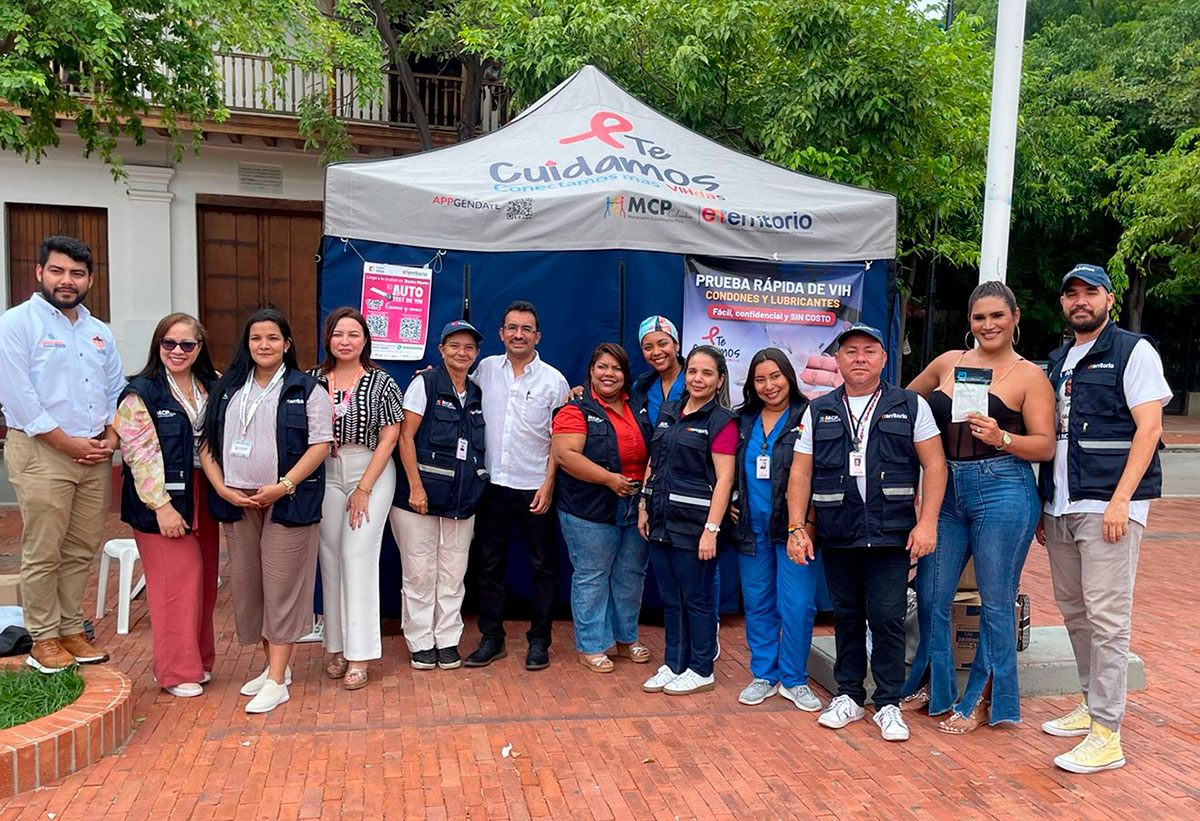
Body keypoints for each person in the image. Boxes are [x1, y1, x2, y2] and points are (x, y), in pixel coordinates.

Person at [899, 282, 1055, 733]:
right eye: (979, 317)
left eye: (996, 316)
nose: (987, 325)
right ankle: (937, 686)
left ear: (1015, 318)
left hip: (1003, 488)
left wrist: (1002, 437)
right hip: (945, 488)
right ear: (969, 322)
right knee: (931, 593)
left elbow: (1045, 445)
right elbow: (904, 404)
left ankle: (983, 700)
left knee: (996, 600)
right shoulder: (949, 362)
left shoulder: (1030, 377)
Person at [1036, 264, 1170, 774]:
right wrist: (1046, 504)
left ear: (1109, 299)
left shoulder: (1133, 350)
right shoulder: (1057, 360)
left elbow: (1149, 427)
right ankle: (1092, 704)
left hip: (1107, 506)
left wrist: (1121, 501)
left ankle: (1107, 733)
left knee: (1108, 620)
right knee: (1075, 613)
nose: (1079, 301)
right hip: (1063, 506)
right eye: (1071, 294)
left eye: (1089, 292)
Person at [787, 323, 946, 742]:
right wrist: (796, 526)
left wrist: (927, 522)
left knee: (888, 618)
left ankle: (889, 703)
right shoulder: (817, 409)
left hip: (892, 534)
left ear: (884, 358)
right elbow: (800, 471)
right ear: (837, 359)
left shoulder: (910, 405)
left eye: (869, 351)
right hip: (838, 532)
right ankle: (849, 696)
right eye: (851, 351)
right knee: (847, 617)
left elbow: (935, 465)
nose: (860, 358)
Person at [0, 235, 124, 673]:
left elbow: (114, 389)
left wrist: (111, 437)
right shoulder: (16, 324)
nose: (66, 281)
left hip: (93, 453)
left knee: (79, 548)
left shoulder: (97, 331)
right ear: (40, 273)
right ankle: (44, 637)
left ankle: (72, 628)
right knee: (43, 548)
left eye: (76, 273)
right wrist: (66, 443)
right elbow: (19, 397)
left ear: (89, 278)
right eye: (57, 271)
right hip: (42, 452)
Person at [199, 308, 333, 714]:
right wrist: (222, 486)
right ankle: (274, 668)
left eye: (273, 338)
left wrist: (283, 485)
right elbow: (205, 443)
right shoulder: (226, 388)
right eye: (256, 338)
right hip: (238, 500)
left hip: (288, 500)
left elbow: (320, 445)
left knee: (282, 586)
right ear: (247, 343)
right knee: (249, 585)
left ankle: (277, 681)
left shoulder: (307, 389)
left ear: (287, 344)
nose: (264, 345)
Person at [115, 313, 221, 697]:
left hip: (204, 493)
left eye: (187, 344)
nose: (177, 351)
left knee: (205, 580)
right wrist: (160, 506)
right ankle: (176, 671)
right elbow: (138, 454)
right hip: (159, 497)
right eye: (169, 343)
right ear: (158, 345)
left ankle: (199, 661)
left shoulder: (212, 385)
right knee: (177, 581)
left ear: (199, 348)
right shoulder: (139, 392)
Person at [464, 301, 570, 671]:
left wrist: (548, 483)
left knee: (543, 567)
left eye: (526, 329)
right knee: (489, 565)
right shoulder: (485, 370)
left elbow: (561, 440)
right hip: (491, 485)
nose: (518, 334)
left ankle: (539, 641)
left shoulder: (554, 381)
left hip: (534, 488)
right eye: (512, 327)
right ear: (501, 333)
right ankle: (492, 638)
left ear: (537, 336)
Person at [310, 308, 404, 690]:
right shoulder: (313, 381)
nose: (345, 340)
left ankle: (360, 654)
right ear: (328, 338)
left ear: (365, 339)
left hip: (371, 470)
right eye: (338, 334)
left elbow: (390, 438)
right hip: (327, 471)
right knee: (329, 557)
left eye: (353, 333)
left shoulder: (382, 382)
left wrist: (364, 487)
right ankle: (334, 645)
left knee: (357, 555)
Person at [638, 345, 737, 696]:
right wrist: (643, 505)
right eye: (692, 371)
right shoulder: (670, 411)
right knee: (670, 598)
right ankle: (674, 663)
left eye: (707, 373)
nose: (698, 378)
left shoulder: (721, 421)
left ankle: (701, 668)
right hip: (661, 520)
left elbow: (725, 479)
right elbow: (654, 460)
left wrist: (711, 530)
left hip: (695, 528)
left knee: (696, 598)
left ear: (719, 379)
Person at [390, 319, 488, 671]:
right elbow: (404, 437)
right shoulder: (425, 384)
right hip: (418, 500)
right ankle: (420, 641)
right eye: (455, 346)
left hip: (461, 501)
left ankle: (447, 640)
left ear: (476, 354)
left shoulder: (477, 393)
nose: (462, 353)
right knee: (418, 573)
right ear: (441, 349)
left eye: (469, 347)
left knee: (452, 573)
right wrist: (415, 487)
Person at [730, 349, 822, 712]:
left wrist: (809, 524)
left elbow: (819, 474)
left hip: (794, 530)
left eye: (776, 377)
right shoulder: (742, 420)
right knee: (758, 604)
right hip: (751, 529)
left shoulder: (809, 416)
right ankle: (764, 675)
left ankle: (794, 679)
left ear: (789, 376)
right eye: (760, 379)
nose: (769, 386)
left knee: (797, 606)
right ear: (752, 384)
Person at [552, 343, 650, 673]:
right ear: (591, 371)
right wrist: (609, 479)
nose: (609, 374)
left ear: (625, 374)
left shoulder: (639, 406)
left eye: (617, 368)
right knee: (592, 577)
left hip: (635, 507)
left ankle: (626, 639)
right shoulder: (575, 409)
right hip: (589, 509)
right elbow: (565, 455)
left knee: (630, 577)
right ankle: (591, 645)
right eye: (602, 367)